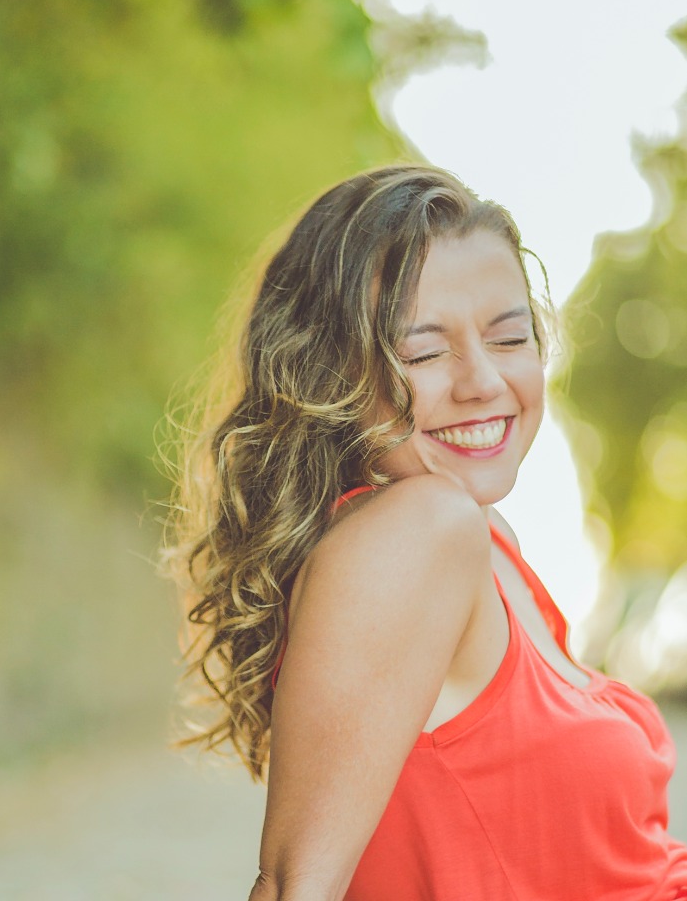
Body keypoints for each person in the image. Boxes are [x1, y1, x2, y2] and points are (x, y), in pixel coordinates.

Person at [167, 165, 687, 901]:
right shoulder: (422, 530)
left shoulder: (482, 535)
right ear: (327, 372)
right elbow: (295, 886)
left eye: (509, 338)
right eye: (422, 351)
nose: (481, 382)